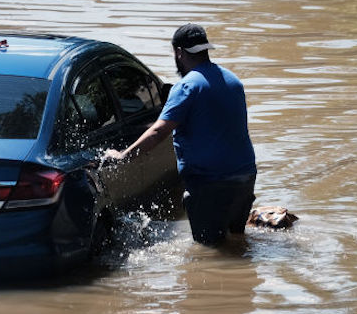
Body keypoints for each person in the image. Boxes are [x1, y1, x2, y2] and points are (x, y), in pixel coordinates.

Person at [104, 23, 256, 246]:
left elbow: (158, 132)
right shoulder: (233, 80)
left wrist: (122, 156)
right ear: (205, 49)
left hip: (210, 184)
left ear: (179, 52)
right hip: (245, 176)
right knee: (237, 242)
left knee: (210, 252)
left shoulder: (187, 86)